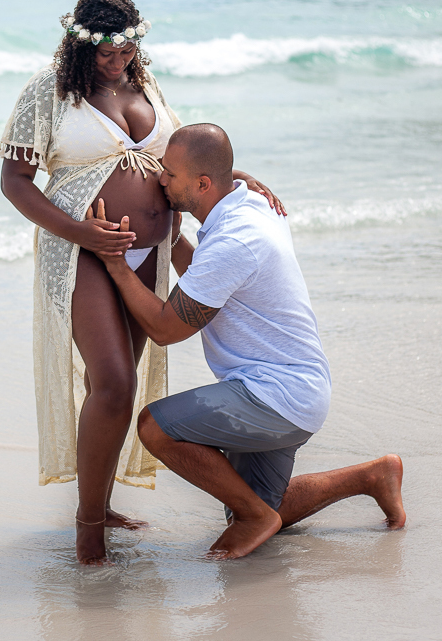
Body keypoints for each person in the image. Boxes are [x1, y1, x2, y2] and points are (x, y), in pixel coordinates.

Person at [0, 0, 283, 565]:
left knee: (118, 380)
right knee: (115, 383)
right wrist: (85, 234)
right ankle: (87, 529)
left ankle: (100, 505)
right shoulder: (49, 92)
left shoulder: (146, 86)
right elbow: (16, 183)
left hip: (148, 255)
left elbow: (173, 162)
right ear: (79, 43)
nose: (116, 60)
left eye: (126, 47)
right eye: (104, 50)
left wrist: (236, 178)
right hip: (82, 252)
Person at [92, 123, 406, 560]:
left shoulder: (236, 240)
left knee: (156, 427)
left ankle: (256, 516)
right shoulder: (246, 204)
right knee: (261, 505)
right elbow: (208, 272)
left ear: (203, 184)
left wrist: (116, 265)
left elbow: (165, 329)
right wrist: (177, 230)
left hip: (275, 397)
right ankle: (373, 476)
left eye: (169, 174)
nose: (160, 180)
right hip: (297, 392)